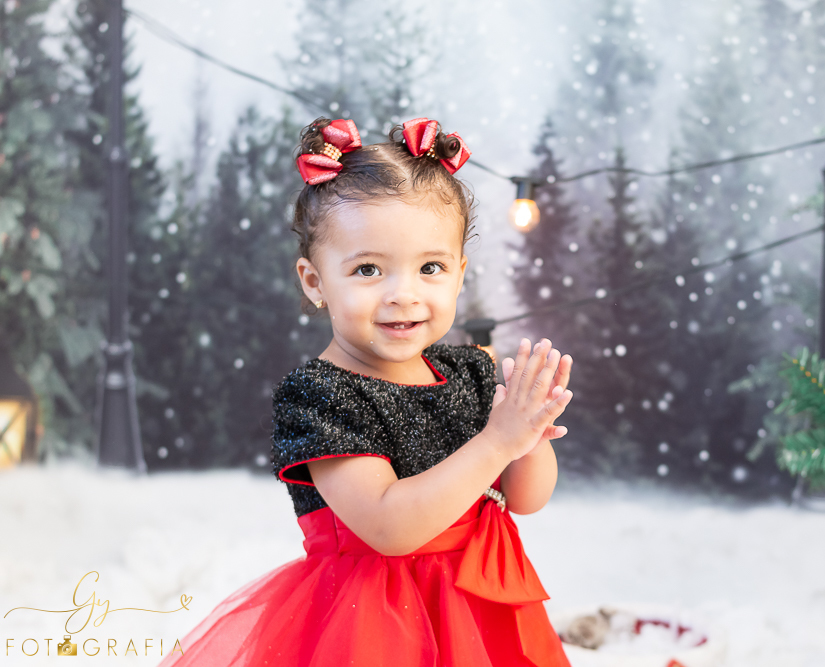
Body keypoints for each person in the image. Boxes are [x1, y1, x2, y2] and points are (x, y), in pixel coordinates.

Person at [157, 116, 575, 667]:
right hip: (372, 625)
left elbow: (524, 500)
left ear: (459, 273)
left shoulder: (468, 372)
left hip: (480, 612)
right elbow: (390, 527)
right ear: (315, 282)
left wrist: (528, 435)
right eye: (369, 270)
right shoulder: (322, 395)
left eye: (430, 267)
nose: (404, 294)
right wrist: (497, 443)